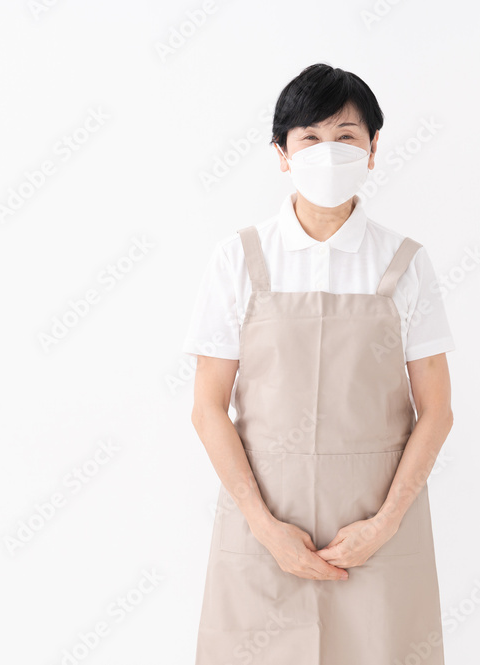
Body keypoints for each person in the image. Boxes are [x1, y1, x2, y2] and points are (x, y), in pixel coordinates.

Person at [183, 63, 455, 665]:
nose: (328, 152)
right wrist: (264, 527)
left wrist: (384, 524)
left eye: (346, 136)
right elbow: (208, 408)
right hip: (263, 533)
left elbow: (437, 411)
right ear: (282, 152)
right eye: (309, 137)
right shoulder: (239, 259)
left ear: (373, 149)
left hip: (377, 538)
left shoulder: (404, 263)